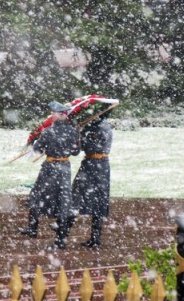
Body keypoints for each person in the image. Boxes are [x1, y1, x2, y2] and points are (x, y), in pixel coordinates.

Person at [19, 101, 80, 249]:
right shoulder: (74, 131)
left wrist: (46, 146)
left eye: (53, 113)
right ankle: (60, 240)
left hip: (50, 168)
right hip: (65, 168)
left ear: (60, 114)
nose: (51, 115)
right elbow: (76, 152)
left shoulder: (48, 132)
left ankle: (33, 229)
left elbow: (39, 150)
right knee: (63, 202)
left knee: (37, 196)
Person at [69, 111, 114, 248]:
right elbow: (76, 151)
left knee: (80, 198)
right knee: (82, 197)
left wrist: (79, 132)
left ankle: (64, 229)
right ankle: (94, 237)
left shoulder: (99, 128)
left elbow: (87, 147)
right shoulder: (95, 127)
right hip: (94, 165)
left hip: (95, 165)